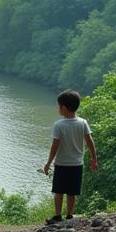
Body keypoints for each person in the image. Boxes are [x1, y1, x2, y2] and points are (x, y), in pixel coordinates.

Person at [42, 89, 98, 222]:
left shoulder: (59, 125)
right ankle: (69, 215)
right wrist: (94, 159)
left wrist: (48, 163)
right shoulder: (83, 122)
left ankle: (57, 215)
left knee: (58, 191)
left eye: (59, 106)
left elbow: (54, 146)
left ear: (64, 108)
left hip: (61, 163)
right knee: (72, 192)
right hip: (77, 164)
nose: (58, 108)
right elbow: (90, 141)